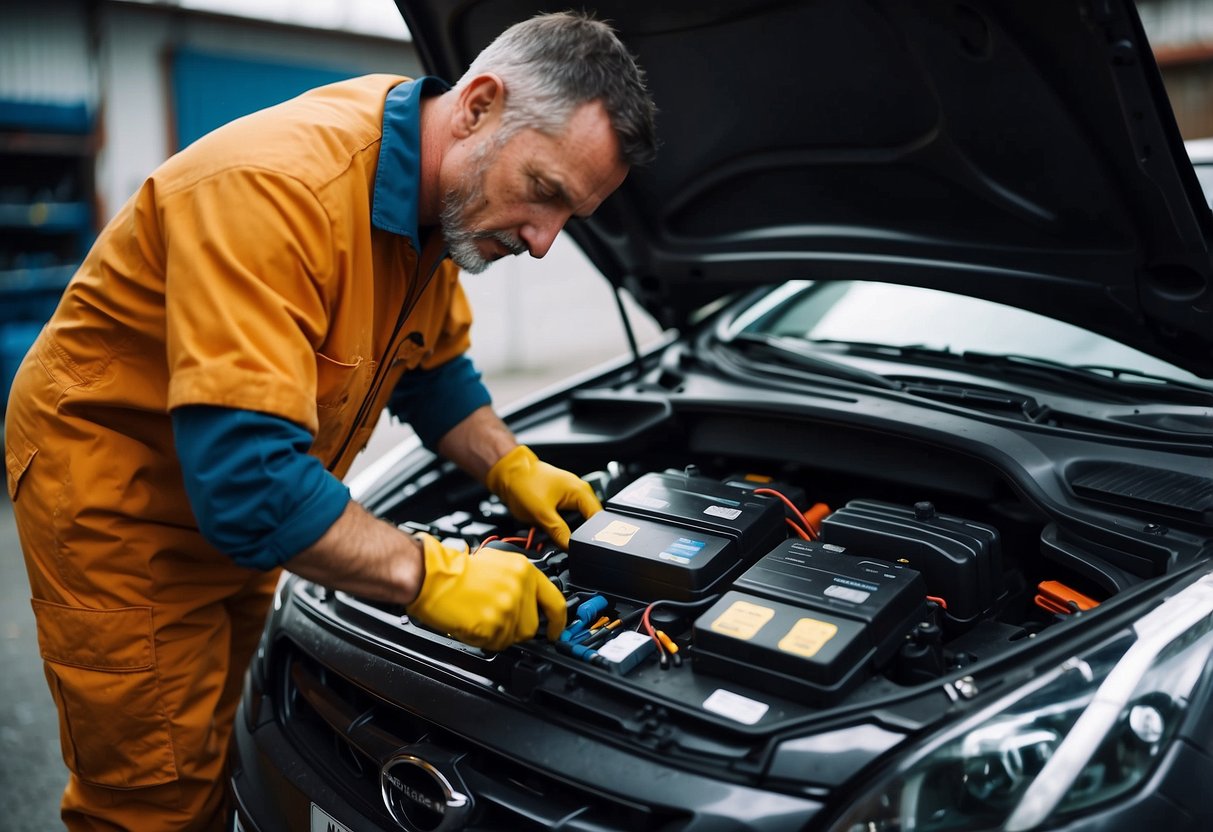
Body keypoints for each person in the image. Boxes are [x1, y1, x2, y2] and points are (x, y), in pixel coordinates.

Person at [3, 11, 657, 830]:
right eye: (545, 193)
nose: (542, 242)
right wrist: (434, 577)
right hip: (124, 496)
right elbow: (249, 488)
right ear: (479, 105)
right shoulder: (277, 193)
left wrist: (508, 464)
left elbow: (433, 374)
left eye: (572, 218)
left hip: (241, 504)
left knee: (217, 736)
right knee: (152, 793)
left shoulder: (431, 199)